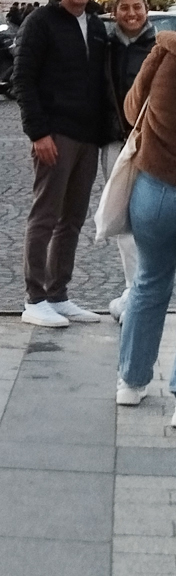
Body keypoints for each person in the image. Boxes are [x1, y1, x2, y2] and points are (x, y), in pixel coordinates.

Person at [13, 0, 110, 329]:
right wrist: (37, 132)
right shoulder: (40, 22)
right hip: (54, 136)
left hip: (88, 137)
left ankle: (58, 294)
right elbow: (22, 79)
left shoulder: (97, 26)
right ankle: (34, 298)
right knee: (45, 216)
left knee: (72, 219)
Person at [114, 26, 176, 409]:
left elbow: (132, 109)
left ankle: (131, 383)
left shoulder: (166, 50)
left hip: (156, 188)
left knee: (149, 283)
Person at [103, 0, 160, 323]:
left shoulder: (162, 48)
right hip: (115, 141)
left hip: (153, 144)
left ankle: (143, 293)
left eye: (137, 7)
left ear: (147, 9)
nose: (131, 13)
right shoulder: (104, 46)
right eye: (124, 8)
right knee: (123, 219)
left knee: (151, 218)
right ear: (115, 12)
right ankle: (134, 291)